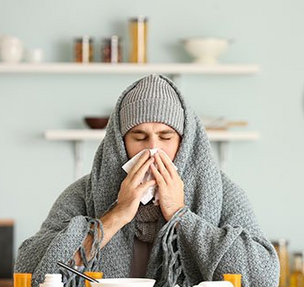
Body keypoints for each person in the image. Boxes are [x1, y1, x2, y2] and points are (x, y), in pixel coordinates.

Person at [15, 74, 279, 287]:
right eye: (139, 137)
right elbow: (32, 273)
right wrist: (116, 215)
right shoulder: (82, 193)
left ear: (184, 143)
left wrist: (180, 214)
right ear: (120, 143)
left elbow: (263, 278)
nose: (153, 149)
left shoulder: (224, 193)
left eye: (165, 137)